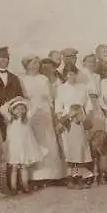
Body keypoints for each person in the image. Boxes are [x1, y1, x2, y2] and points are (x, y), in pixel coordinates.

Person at [19, 55, 65, 186]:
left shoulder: (44, 79)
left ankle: (51, 175)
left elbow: (50, 98)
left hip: (44, 111)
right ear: (26, 64)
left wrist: (52, 114)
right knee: (34, 142)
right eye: (33, 63)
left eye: (37, 63)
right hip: (30, 111)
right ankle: (35, 177)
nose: (36, 66)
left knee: (48, 140)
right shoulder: (21, 79)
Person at [0, 96, 47, 194]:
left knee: (24, 167)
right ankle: (13, 188)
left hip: (24, 148)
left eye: (22, 109)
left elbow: (33, 107)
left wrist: (23, 100)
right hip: (14, 148)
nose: (20, 111)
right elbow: (3, 109)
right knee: (14, 168)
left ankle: (25, 185)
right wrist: (13, 100)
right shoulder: (10, 119)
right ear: (12, 111)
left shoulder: (27, 119)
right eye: (17, 109)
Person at [57, 104, 94, 189]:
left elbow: (90, 126)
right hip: (72, 149)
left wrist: (84, 118)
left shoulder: (83, 123)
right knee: (71, 166)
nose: (80, 116)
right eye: (78, 114)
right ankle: (70, 181)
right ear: (73, 115)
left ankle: (79, 181)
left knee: (80, 165)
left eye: (81, 113)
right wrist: (68, 116)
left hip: (81, 149)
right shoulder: (69, 123)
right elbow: (58, 126)